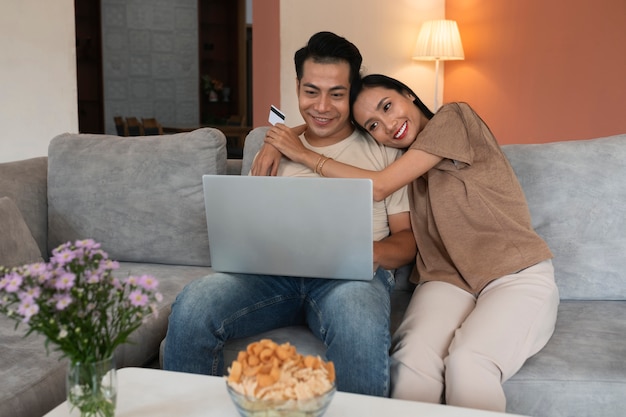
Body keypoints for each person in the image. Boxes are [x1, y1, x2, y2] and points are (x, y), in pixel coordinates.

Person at [263, 74, 560, 412]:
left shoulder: (453, 119)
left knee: (468, 362)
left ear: (408, 93)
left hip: (515, 272)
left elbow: (378, 187)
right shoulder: (400, 162)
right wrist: (275, 141)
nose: (389, 125)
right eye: (373, 125)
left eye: (388, 106)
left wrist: (303, 156)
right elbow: (326, 128)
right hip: (448, 280)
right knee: (411, 363)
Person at [163, 35, 416, 397]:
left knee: (358, 321)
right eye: (311, 91)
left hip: (351, 280)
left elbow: (407, 241)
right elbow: (245, 229)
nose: (322, 107)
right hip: (271, 278)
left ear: (353, 92)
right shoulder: (272, 151)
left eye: (337, 94)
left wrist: (367, 252)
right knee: (193, 304)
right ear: (297, 86)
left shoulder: (381, 148)